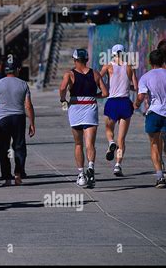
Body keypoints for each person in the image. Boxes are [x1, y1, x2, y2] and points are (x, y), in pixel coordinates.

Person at [133, 50, 166, 188]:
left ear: (150, 62)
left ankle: (160, 177)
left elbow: (141, 96)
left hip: (155, 112)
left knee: (154, 144)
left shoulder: (146, 77)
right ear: (163, 61)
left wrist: (136, 104)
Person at [59, 49, 108, 188]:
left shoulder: (69, 74)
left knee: (78, 144)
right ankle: (91, 166)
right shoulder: (95, 74)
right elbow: (105, 93)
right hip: (90, 107)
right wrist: (94, 96)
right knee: (90, 144)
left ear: (74, 60)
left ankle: (81, 174)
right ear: (86, 59)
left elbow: (62, 88)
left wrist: (63, 98)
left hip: (75, 107)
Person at [0, 58, 36, 187]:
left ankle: (7, 178)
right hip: (18, 118)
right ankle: (18, 174)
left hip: (2, 120)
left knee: (3, 148)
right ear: (17, 69)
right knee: (19, 147)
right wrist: (32, 123)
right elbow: (28, 106)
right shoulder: (23, 84)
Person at [100, 44, 138, 176]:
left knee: (109, 130)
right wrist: (127, 86)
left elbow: (97, 79)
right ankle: (117, 165)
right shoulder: (130, 66)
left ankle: (111, 142)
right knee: (121, 139)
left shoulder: (108, 66)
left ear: (113, 53)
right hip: (125, 102)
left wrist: (105, 87)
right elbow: (136, 86)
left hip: (112, 102)